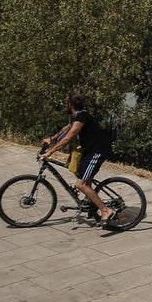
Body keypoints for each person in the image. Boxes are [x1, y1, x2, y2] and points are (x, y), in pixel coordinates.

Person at [40, 93, 116, 225]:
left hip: (97, 152)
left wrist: (50, 152)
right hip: (90, 151)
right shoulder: (79, 116)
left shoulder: (82, 116)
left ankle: (105, 211)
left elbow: (68, 138)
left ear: (70, 104)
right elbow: (68, 128)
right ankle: (91, 203)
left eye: (66, 103)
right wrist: (52, 138)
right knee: (81, 174)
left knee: (81, 184)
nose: (65, 105)